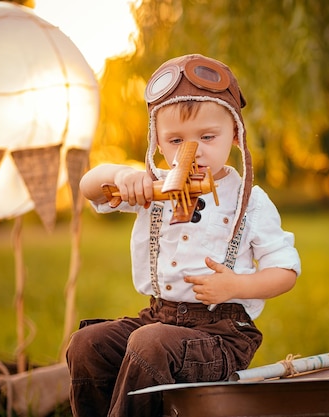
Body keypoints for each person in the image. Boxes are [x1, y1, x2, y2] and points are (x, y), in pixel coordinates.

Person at [66, 54, 301, 417]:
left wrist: (236, 286)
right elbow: (89, 188)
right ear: (158, 143)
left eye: (208, 136)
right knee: (87, 343)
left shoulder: (249, 200)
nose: (194, 151)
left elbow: (285, 271)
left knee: (149, 344)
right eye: (176, 140)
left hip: (222, 334)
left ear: (235, 134)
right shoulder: (154, 186)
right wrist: (121, 174)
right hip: (159, 318)